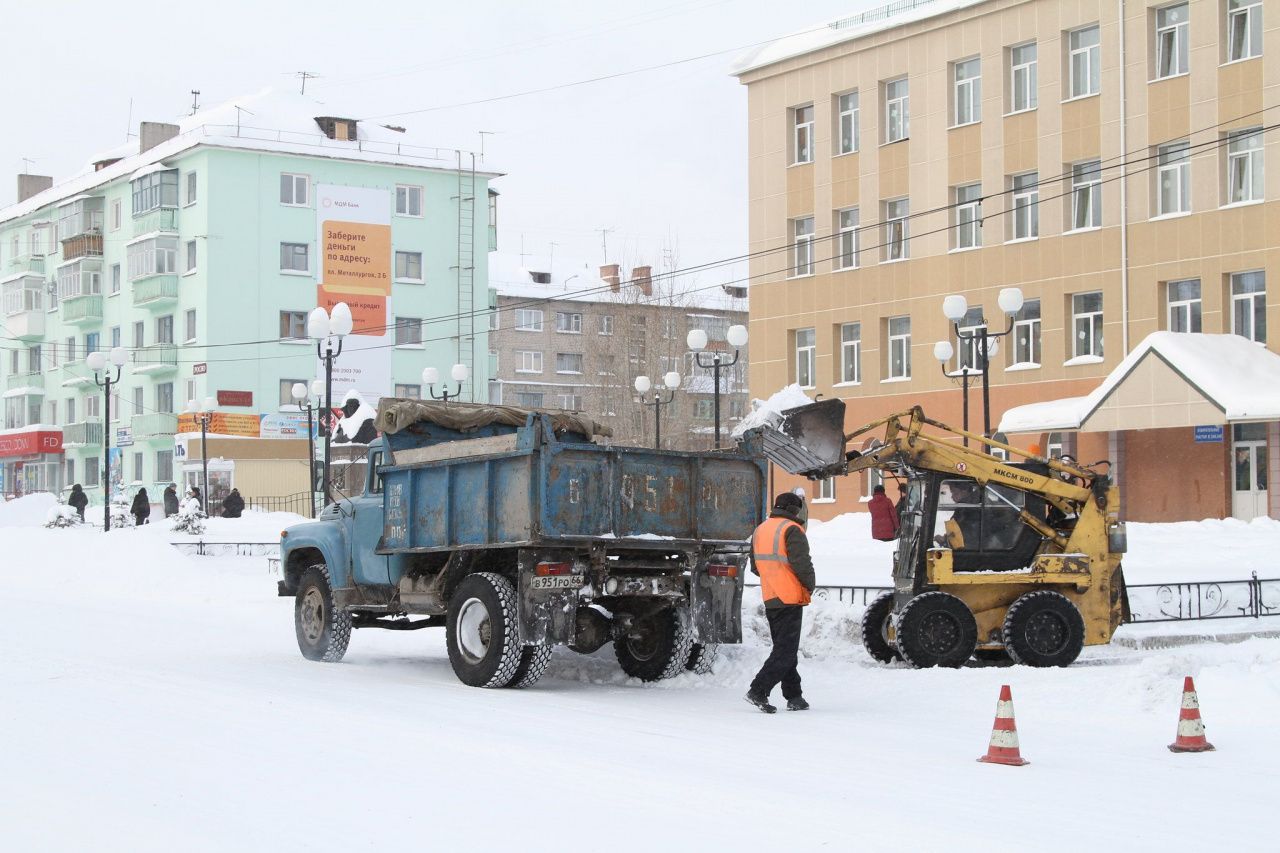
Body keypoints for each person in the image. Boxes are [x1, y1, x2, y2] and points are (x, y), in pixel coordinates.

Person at [745, 492, 816, 714]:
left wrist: (773, 577)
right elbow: (802, 564)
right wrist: (809, 585)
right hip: (790, 597)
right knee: (785, 652)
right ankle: (758, 690)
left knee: (784, 649)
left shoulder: (760, 530)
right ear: (794, 510)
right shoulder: (792, 530)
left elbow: (756, 567)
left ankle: (794, 696)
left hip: (771, 597)